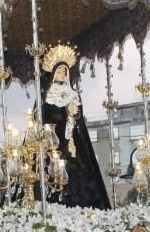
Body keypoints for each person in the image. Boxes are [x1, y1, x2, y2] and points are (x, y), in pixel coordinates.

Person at [38, 43, 110, 209]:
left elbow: (79, 118)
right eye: (59, 71)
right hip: (54, 142)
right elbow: (43, 116)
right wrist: (64, 110)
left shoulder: (73, 93)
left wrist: (74, 113)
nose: (62, 74)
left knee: (80, 170)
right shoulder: (46, 94)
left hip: (73, 140)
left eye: (65, 71)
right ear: (54, 73)